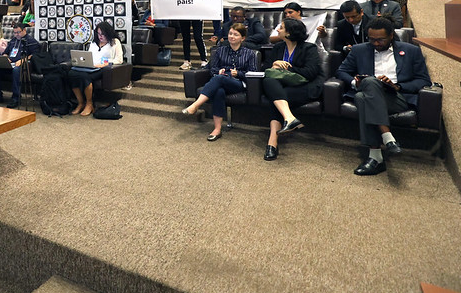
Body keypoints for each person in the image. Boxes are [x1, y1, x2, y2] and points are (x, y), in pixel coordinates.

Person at [335, 17, 431, 175]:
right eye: (372, 39)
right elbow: (341, 71)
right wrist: (355, 83)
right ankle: (382, 146)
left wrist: (397, 86)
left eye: (380, 40)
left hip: (396, 97)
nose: (376, 43)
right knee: (366, 89)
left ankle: (377, 154)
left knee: (363, 96)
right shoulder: (359, 50)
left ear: (391, 35)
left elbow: (423, 80)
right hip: (367, 92)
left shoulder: (411, 50)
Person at [261, 18, 325, 161]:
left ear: (289, 32)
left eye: (281, 28)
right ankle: (288, 120)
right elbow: (264, 69)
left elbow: (310, 73)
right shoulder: (278, 47)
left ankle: (272, 144)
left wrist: (287, 67)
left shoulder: (309, 48)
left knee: (275, 99)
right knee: (270, 82)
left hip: (306, 86)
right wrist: (274, 63)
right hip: (285, 86)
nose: (277, 30)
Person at [182, 24, 258, 141]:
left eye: (235, 34)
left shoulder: (250, 53)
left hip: (239, 83)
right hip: (222, 80)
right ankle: (217, 129)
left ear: (242, 38)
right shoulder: (220, 51)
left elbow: (252, 73)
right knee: (218, 91)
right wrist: (218, 71)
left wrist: (238, 74)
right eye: (230, 34)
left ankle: (196, 105)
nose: (232, 36)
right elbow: (212, 69)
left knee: (219, 79)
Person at [68, 22, 123, 116]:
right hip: (91, 66)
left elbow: (119, 59)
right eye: (98, 34)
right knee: (72, 73)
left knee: (85, 77)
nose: (100, 36)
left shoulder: (115, 42)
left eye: (102, 34)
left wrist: (104, 63)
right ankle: (80, 103)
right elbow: (89, 56)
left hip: (103, 69)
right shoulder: (94, 43)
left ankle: (89, 104)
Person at [0, 23, 39, 108]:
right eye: (15, 33)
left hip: (24, 65)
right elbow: (5, 52)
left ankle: (16, 97)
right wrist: (5, 58)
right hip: (10, 63)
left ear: (24, 30)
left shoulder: (31, 41)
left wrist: (23, 60)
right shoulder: (13, 40)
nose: (17, 34)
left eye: (18, 32)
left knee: (16, 70)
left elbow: (35, 55)